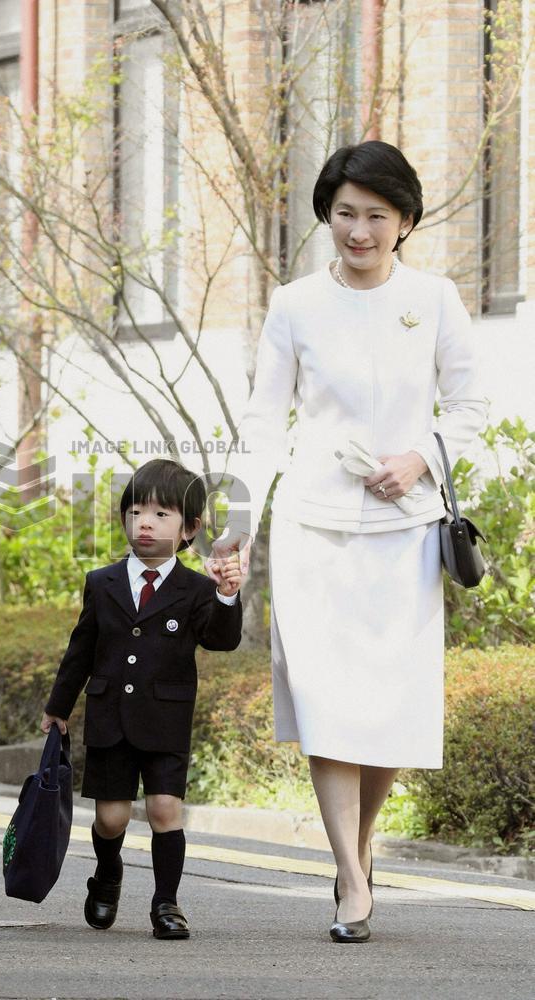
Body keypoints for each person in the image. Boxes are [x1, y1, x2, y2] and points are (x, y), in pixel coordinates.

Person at [210, 141, 485, 943]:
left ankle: (353, 853)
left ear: (404, 221)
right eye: (344, 215)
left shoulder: (434, 299)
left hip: (404, 536)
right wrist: (236, 524)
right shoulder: (294, 304)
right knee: (329, 706)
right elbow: (263, 422)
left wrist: (421, 458)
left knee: (389, 713)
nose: (358, 231)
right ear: (327, 216)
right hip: (313, 530)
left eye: (375, 216)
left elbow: (468, 408)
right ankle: (354, 880)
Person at [42, 458, 243, 940]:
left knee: (163, 811)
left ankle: (166, 902)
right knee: (111, 819)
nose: (145, 522)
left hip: (166, 720)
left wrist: (228, 597)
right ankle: (107, 874)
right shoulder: (102, 582)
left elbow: (220, 640)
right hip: (110, 717)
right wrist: (58, 706)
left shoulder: (198, 589)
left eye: (161, 514)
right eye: (135, 512)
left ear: (191, 527)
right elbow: (81, 648)